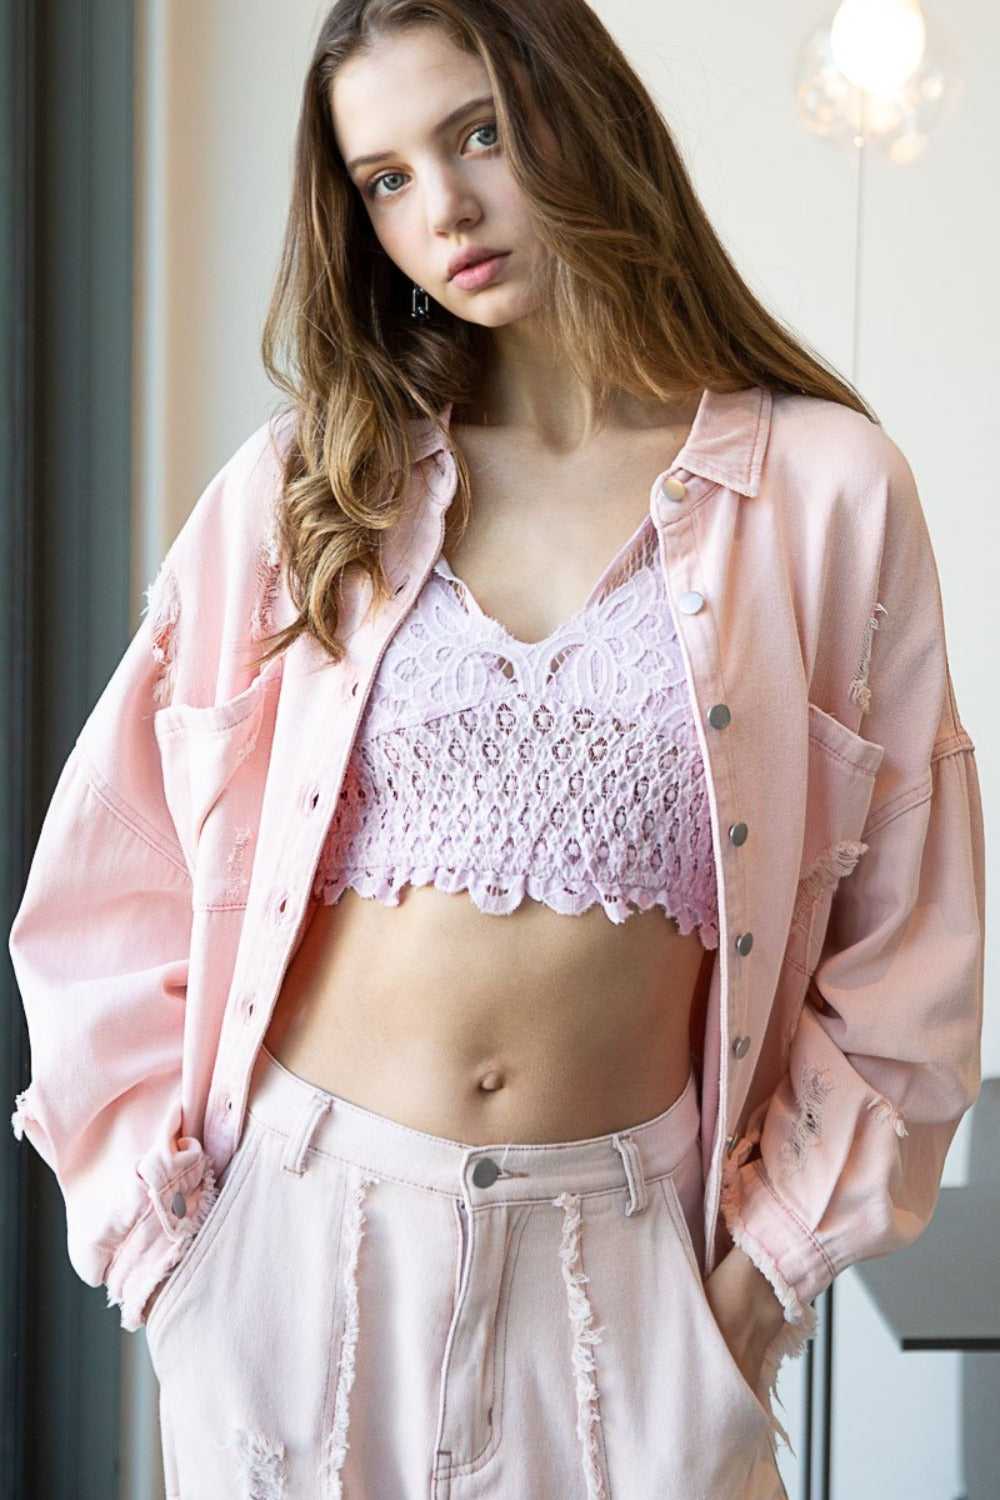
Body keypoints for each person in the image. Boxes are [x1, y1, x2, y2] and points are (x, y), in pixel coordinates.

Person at [9, 1, 985, 1496]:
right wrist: (174, 1268)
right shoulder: (303, 490)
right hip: (292, 1258)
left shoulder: (825, 495)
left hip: (631, 1281)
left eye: (475, 132)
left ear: (577, 109)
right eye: (385, 176)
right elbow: (107, 886)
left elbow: (910, 962)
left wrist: (753, 1292)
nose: (443, 206)